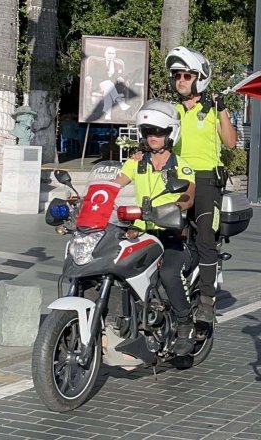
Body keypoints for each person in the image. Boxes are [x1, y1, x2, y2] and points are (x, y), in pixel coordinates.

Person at [112, 100, 197, 354]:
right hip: (141, 234)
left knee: (170, 272)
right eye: (149, 132)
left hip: (171, 235)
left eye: (158, 132)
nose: (153, 137)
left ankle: (185, 324)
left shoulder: (181, 166)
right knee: (115, 266)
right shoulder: (136, 162)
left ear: (170, 133)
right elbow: (114, 184)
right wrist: (91, 198)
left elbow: (188, 197)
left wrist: (173, 209)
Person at [163, 46, 238, 323]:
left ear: (200, 78)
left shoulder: (213, 107)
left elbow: (231, 142)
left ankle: (207, 302)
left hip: (207, 179)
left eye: (186, 75)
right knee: (168, 236)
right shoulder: (172, 111)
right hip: (178, 179)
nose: (180, 81)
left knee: (206, 238)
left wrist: (222, 110)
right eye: (176, 76)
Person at [84, 46, 131, 121]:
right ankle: (120, 102)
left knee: (108, 89)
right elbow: (91, 74)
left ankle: (107, 115)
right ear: (105, 54)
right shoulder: (98, 63)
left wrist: (122, 79)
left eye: (112, 53)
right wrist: (88, 77)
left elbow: (120, 76)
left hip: (111, 87)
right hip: (99, 84)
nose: (110, 55)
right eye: (109, 53)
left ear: (115, 55)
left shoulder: (118, 65)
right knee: (108, 84)